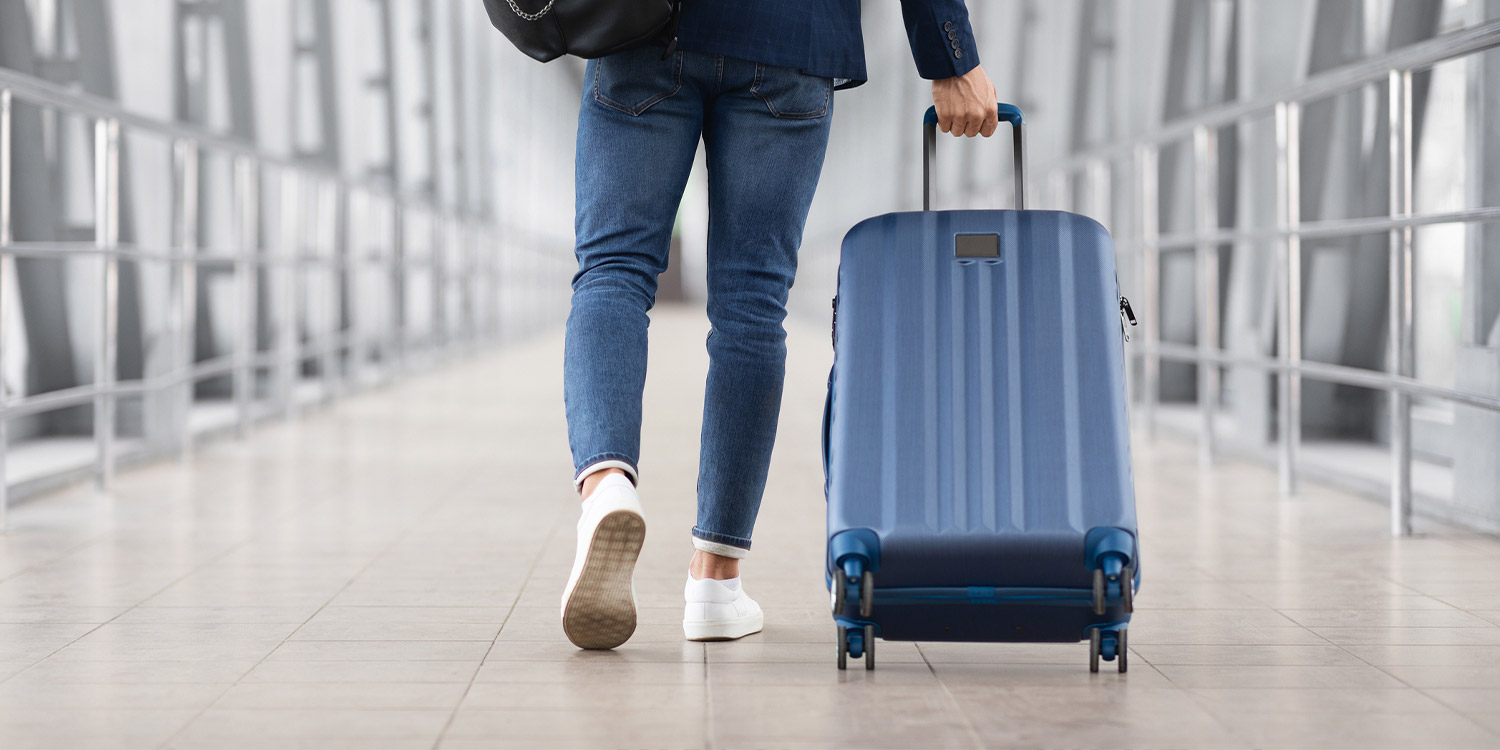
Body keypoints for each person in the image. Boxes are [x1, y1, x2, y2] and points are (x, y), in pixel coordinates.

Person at [560, 0, 1000, 650]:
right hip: (793, 37)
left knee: (614, 271)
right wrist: (950, 57)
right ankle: (715, 580)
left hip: (647, 30)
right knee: (751, 303)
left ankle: (606, 485)